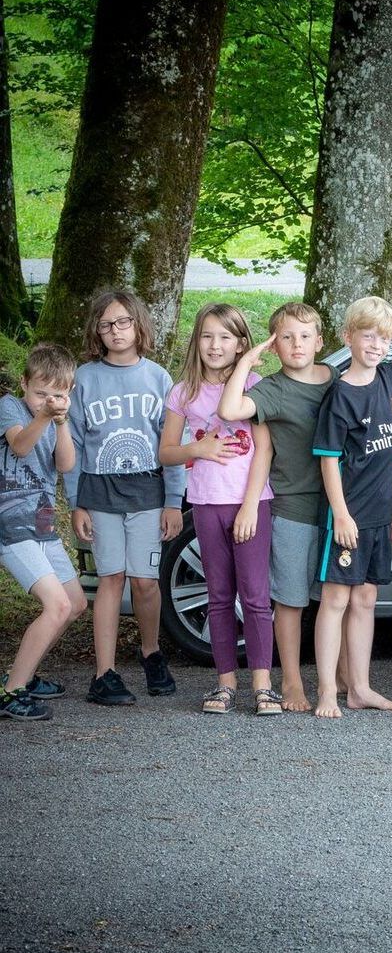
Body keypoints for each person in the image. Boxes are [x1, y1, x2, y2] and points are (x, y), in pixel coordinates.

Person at [159, 304, 277, 715]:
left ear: (241, 344)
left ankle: (263, 685)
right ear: (197, 340)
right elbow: (167, 452)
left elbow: (264, 448)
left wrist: (249, 506)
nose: (215, 345)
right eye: (207, 336)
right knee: (220, 595)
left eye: (225, 337)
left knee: (257, 597)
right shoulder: (183, 392)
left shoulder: (257, 386)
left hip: (252, 505)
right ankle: (225, 684)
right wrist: (199, 449)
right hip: (207, 504)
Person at [66, 291, 183, 706]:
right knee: (111, 578)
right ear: (96, 332)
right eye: (105, 325)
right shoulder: (84, 378)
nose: (115, 331)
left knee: (146, 582)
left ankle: (150, 651)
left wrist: (174, 500)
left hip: (149, 490)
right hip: (100, 491)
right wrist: (75, 501)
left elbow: (172, 443)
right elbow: (74, 444)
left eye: (122, 322)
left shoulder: (158, 378)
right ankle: (105, 673)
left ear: (138, 325)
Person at [217, 302, 334, 712]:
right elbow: (230, 411)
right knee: (291, 599)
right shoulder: (271, 390)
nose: (296, 344)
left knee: (335, 598)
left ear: (320, 341)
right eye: (286, 337)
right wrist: (248, 360)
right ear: (274, 345)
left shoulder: (336, 381)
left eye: (305, 336)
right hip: (293, 506)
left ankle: (337, 681)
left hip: (338, 509)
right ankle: (292, 682)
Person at [310, 296, 392, 720]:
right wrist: (343, 514)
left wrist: (389, 514)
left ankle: (361, 687)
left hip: (378, 513)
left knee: (366, 600)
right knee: (335, 600)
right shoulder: (340, 395)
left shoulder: (391, 377)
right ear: (348, 337)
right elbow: (328, 460)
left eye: (384, 338)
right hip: (346, 515)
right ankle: (328, 690)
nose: (376, 345)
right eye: (367, 336)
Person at [0, 345, 84, 720]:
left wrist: (61, 421)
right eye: (40, 393)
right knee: (57, 605)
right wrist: (44, 416)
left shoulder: (58, 417)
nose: (47, 401)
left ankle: (25, 673)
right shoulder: (11, 407)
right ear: (24, 384)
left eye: (58, 395)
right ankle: (10, 691)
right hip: (10, 525)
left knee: (76, 603)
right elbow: (19, 446)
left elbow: (65, 464)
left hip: (42, 524)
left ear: (70, 392)